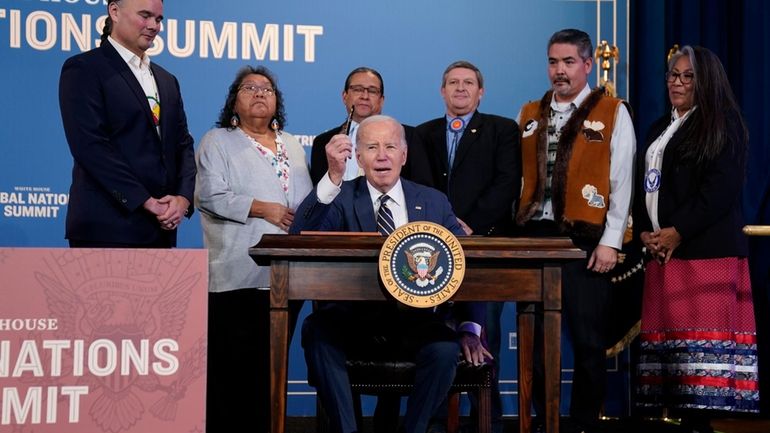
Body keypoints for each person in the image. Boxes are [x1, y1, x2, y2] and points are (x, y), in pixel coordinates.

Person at [291, 115, 490, 433]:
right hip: (352, 323)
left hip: (416, 322)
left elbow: (468, 263)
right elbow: (300, 236)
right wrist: (332, 177)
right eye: (371, 147)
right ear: (358, 157)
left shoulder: (433, 201)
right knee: (317, 331)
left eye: (390, 146)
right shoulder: (341, 197)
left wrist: (470, 326)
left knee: (445, 348)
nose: (382, 155)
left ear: (404, 155)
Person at [514, 29, 635, 433]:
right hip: (534, 240)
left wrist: (610, 242)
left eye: (568, 62)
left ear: (587, 64)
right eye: (553, 62)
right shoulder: (530, 112)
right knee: (536, 343)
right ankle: (542, 423)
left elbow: (622, 184)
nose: (559, 71)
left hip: (586, 241)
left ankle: (584, 424)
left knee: (587, 342)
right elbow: (519, 180)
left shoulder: (614, 111)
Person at [635, 46, 759, 433]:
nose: (677, 82)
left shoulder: (723, 125)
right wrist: (645, 230)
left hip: (704, 256)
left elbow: (718, 192)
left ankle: (701, 426)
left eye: (688, 77)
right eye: (673, 74)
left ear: (706, 83)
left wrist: (677, 231)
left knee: (699, 367)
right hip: (663, 255)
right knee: (672, 364)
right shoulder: (659, 127)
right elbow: (647, 188)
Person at [195, 65, 312, 433]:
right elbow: (210, 195)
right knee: (232, 369)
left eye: (268, 89)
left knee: (269, 369)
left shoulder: (291, 143)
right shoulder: (218, 141)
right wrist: (265, 208)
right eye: (250, 88)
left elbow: (305, 201)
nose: (260, 93)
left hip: (285, 275)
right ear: (234, 101)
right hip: (236, 273)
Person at [409, 60, 520, 432]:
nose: (460, 88)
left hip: (484, 248)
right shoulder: (421, 134)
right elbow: (419, 186)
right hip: (435, 251)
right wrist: (448, 226)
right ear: (442, 91)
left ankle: (488, 420)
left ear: (480, 91)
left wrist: (469, 226)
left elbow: (507, 184)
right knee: (437, 335)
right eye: (452, 83)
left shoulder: (502, 130)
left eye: (468, 83)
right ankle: (437, 419)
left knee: (482, 332)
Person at [59, 0, 195, 247]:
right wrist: (145, 201)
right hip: (106, 227)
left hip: (160, 229)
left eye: (159, 19)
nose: (154, 26)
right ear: (114, 11)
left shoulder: (167, 80)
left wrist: (182, 199)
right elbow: (91, 147)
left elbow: (183, 144)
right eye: (145, 16)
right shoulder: (84, 68)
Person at [310, 66, 414, 185]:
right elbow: (319, 196)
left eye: (372, 91)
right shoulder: (323, 143)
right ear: (345, 96)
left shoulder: (408, 136)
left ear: (381, 100)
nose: (364, 96)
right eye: (357, 89)